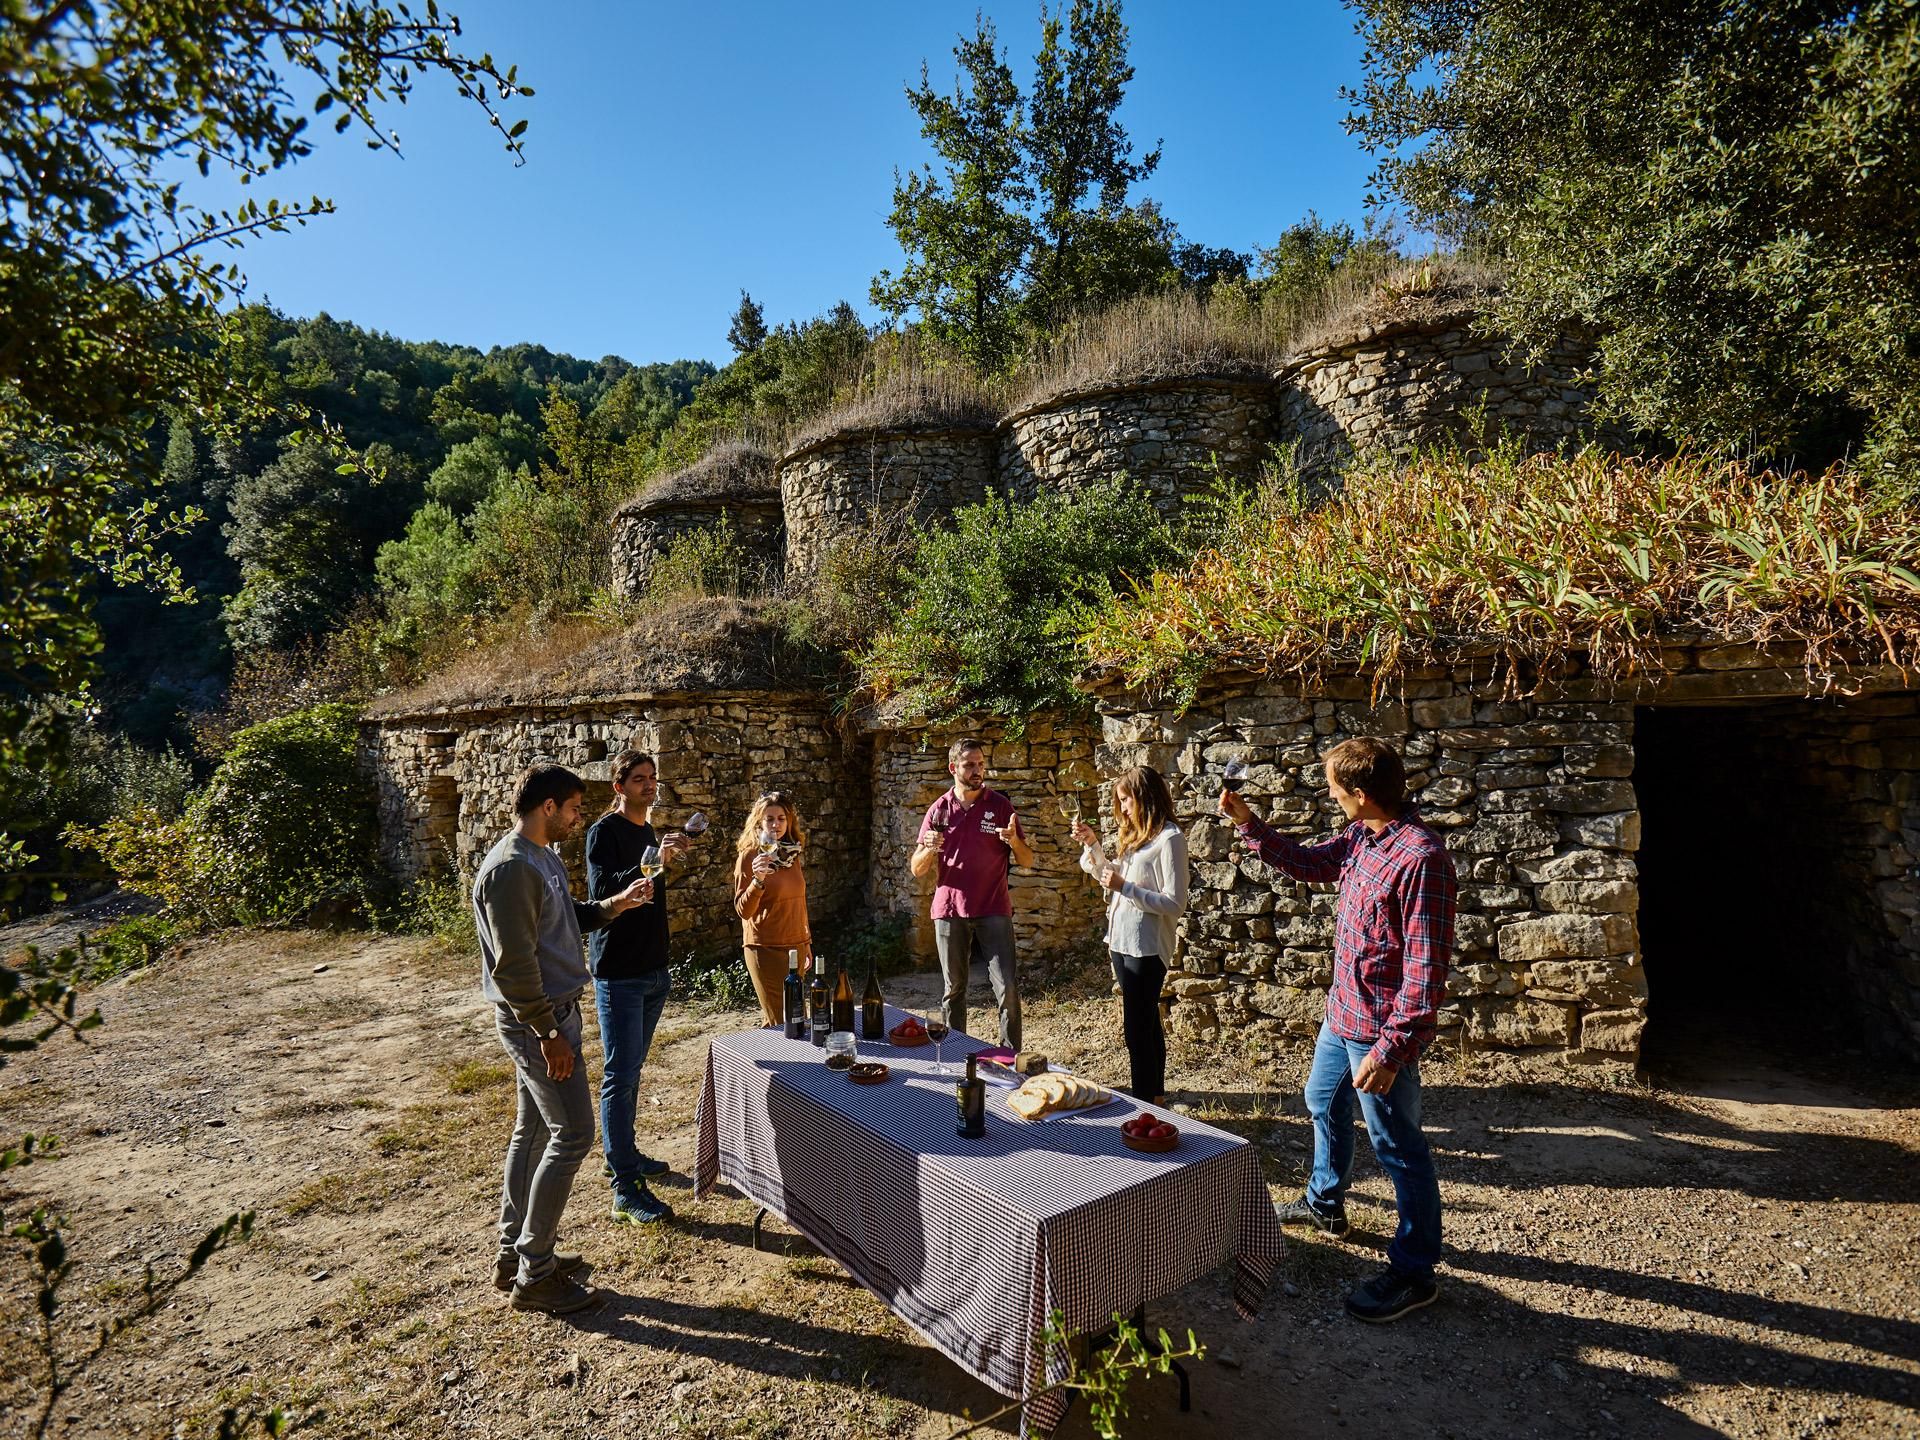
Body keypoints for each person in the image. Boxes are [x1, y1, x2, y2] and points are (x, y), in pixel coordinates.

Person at [1220, 736, 1455, 1324]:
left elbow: (1426, 974)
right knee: (1320, 1099)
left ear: (1361, 793)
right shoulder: (1361, 836)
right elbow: (1309, 863)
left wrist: (1393, 1049)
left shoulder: (1420, 859)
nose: (1329, 794)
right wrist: (1249, 823)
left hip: (1377, 1032)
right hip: (1341, 1013)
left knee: (1398, 1148)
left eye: (1333, 787)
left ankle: (1415, 1270)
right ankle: (1326, 1204)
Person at [473, 763, 651, 1315]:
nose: (579, 818)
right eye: (574, 808)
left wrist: (614, 905)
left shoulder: (541, 858)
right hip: (539, 1021)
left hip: (554, 1016)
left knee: (532, 1131)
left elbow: (561, 920)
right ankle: (536, 1272)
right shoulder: (510, 868)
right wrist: (549, 1032)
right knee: (573, 1133)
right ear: (549, 806)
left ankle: (514, 1253)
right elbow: (514, 964)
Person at [584, 749, 692, 1226]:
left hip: (653, 967)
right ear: (619, 786)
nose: (649, 785)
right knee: (619, 1075)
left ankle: (624, 1153)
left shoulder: (648, 830)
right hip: (619, 971)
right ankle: (624, 1186)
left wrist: (663, 856)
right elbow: (604, 888)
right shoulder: (603, 832)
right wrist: (652, 861)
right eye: (639, 779)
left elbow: (652, 892)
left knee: (632, 1070)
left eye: (652, 778)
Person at [909, 738, 1034, 1049]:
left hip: (994, 908)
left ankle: (1009, 1057)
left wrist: (1013, 842)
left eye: (980, 763)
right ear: (954, 768)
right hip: (950, 910)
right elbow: (917, 868)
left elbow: (1028, 860)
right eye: (969, 765)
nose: (978, 770)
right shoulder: (938, 810)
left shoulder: (1000, 806)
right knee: (954, 990)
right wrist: (928, 849)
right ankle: (956, 1054)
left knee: (1006, 987)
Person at [1073, 766, 1187, 1105]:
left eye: (1126, 800)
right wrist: (1093, 845)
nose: (1122, 809)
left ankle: (1142, 1109)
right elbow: (1110, 876)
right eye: (1120, 802)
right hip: (1121, 941)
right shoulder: (1137, 837)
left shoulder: (1170, 838)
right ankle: (1156, 1099)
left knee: (1136, 1032)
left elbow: (1174, 902)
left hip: (1147, 946)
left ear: (1146, 798)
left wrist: (1126, 887)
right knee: (1148, 1024)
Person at [733, 789, 812, 1026]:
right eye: (770, 819)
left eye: (781, 819)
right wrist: (758, 880)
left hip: (795, 945)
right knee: (784, 1021)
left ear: (789, 823)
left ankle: (780, 1061)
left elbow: (800, 902)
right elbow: (743, 911)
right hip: (765, 948)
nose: (776, 825)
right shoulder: (749, 857)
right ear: (759, 822)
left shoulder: (792, 855)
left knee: (796, 1018)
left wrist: (806, 941)